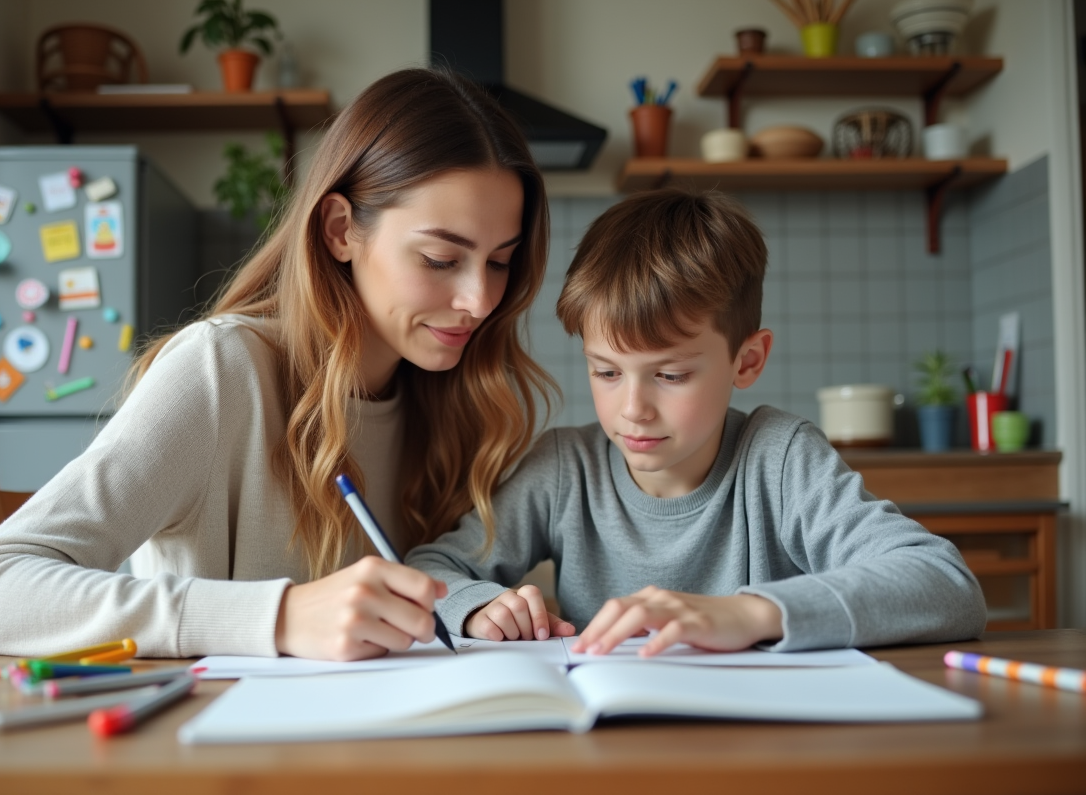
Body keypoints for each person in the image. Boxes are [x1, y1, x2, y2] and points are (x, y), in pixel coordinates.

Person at [0, 68, 556, 661]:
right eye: (442, 260)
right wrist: (282, 617)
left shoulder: (455, 402)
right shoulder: (220, 371)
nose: (479, 300)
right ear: (341, 230)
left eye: (500, 261)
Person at [406, 189, 987, 655]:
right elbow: (432, 567)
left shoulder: (779, 458)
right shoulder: (566, 468)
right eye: (606, 373)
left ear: (747, 360)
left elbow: (945, 583)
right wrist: (479, 604)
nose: (633, 408)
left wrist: (748, 613)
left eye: (672, 375)